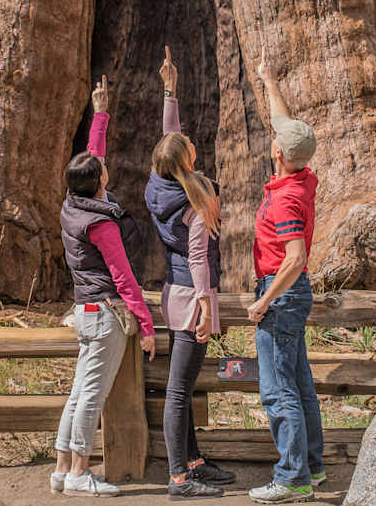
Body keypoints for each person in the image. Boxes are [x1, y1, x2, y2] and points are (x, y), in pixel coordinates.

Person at [53, 75, 157, 498]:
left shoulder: (73, 204)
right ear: (98, 182)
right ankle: (80, 471)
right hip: (105, 315)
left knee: (79, 393)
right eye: (102, 172)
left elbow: (91, 159)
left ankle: (62, 469)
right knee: (92, 396)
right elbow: (124, 278)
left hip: (85, 311)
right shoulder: (101, 223)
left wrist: (101, 113)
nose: (105, 169)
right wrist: (146, 326)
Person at [144, 47, 235, 501]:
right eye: (191, 151)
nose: (193, 147)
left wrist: (170, 91)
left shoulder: (159, 186)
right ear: (186, 163)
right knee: (179, 391)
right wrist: (205, 308)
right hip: (192, 295)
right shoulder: (197, 198)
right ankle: (179, 478)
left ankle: (194, 462)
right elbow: (199, 256)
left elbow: (169, 137)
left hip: (172, 289)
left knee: (185, 384)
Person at [246, 46, 324, 504]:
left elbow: (294, 258)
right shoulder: (302, 176)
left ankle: (292, 478)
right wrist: (268, 79)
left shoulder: (285, 201)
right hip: (293, 295)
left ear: (277, 153)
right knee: (300, 385)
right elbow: (285, 128)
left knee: (278, 392)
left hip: (281, 293)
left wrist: (263, 301)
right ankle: (311, 469)